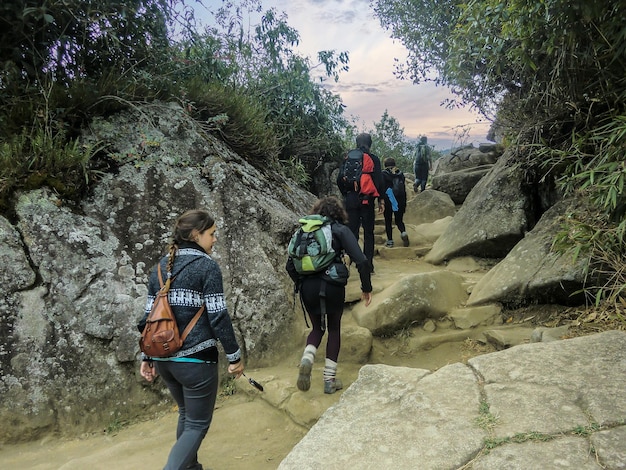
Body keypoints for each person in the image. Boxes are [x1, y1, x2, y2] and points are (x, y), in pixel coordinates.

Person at [138, 209, 244, 470]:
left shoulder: (160, 267)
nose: (215, 239)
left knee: (186, 415)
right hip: (196, 361)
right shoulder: (206, 267)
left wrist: (147, 356)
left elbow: (148, 318)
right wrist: (235, 356)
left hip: (165, 360)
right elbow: (218, 316)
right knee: (197, 425)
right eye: (212, 234)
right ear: (196, 235)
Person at [286, 196, 373, 394]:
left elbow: (290, 265)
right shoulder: (340, 230)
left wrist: (302, 284)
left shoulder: (304, 232)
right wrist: (366, 287)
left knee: (317, 328)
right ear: (338, 212)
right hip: (332, 286)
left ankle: (307, 358)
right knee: (334, 329)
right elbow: (361, 260)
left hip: (308, 287)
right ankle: (329, 380)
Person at [336, 132, 385, 272]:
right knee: (369, 233)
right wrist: (381, 200)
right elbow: (378, 181)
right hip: (367, 201)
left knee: (352, 232)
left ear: (356, 143)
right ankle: (367, 265)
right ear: (370, 144)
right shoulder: (373, 159)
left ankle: (351, 261)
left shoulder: (348, 158)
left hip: (351, 199)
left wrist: (346, 193)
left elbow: (339, 179)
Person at [382, 157, 409, 248]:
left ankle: (390, 241)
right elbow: (403, 188)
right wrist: (404, 202)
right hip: (400, 200)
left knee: (388, 221)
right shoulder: (400, 174)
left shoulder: (383, 174)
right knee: (399, 220)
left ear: (385, 165)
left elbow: (382, 188)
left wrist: (380, 200)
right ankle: (403, 233)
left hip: (389, 200)